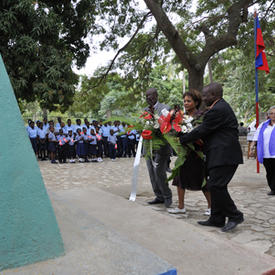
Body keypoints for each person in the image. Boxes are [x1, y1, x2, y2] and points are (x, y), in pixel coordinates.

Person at [178, 83, 244, 232]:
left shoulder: (218, 109)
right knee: (214, 186)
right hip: (219, 154)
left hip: (225, 155)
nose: (203, 98)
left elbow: (203, 130)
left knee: (216, 185)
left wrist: (183, 139)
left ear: (214, 95)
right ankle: (217, 218)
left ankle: (235, 215)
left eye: (205, 95)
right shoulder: (218, 107)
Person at [168, 90, 211, 215]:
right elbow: (174, 131)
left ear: (196, 102)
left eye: (189, 101)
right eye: (184, 101)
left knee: (203, 180)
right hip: (184, 153)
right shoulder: (180, 117)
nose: (186, 103)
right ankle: (181, 207)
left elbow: (202, 133)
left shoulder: (201, 116)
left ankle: (211, 207)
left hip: (198, 153)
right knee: (179, 179)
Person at [145, 87, 172, 208]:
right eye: (146, 96)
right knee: (151, 173)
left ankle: (167, 196)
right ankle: (159, 196)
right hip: (149, 147)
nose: (148, 98)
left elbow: (166, 126)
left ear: (156, 96)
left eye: (150, 95)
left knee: (159, 172)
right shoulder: (144, 110)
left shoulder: (165, 108)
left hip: (161, 147)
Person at [251, 106, 275, 195]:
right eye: (271, 113)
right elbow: (256, 136)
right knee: (269, 172)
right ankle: (273, 188)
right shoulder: (263, 125)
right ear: (268, 115)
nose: (273, 115)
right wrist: (252, 147)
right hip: (266, 153)